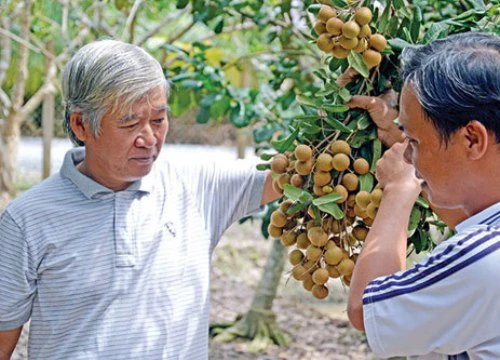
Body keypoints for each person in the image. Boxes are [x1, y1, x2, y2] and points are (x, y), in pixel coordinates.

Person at [0, 40, 280, 359]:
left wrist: (347, 92)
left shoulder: (200, 188)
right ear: (81, 124)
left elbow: (304, 169)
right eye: (130, 124)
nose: (149, 138)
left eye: (159, 120)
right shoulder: (26, 219)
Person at [346, 32, 500, 359]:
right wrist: (417, 143)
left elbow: (365, 309)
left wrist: (398, 191)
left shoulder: (483, 262)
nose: (405, 156)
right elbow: (469, 211)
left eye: (413, 142)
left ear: (472, 139)